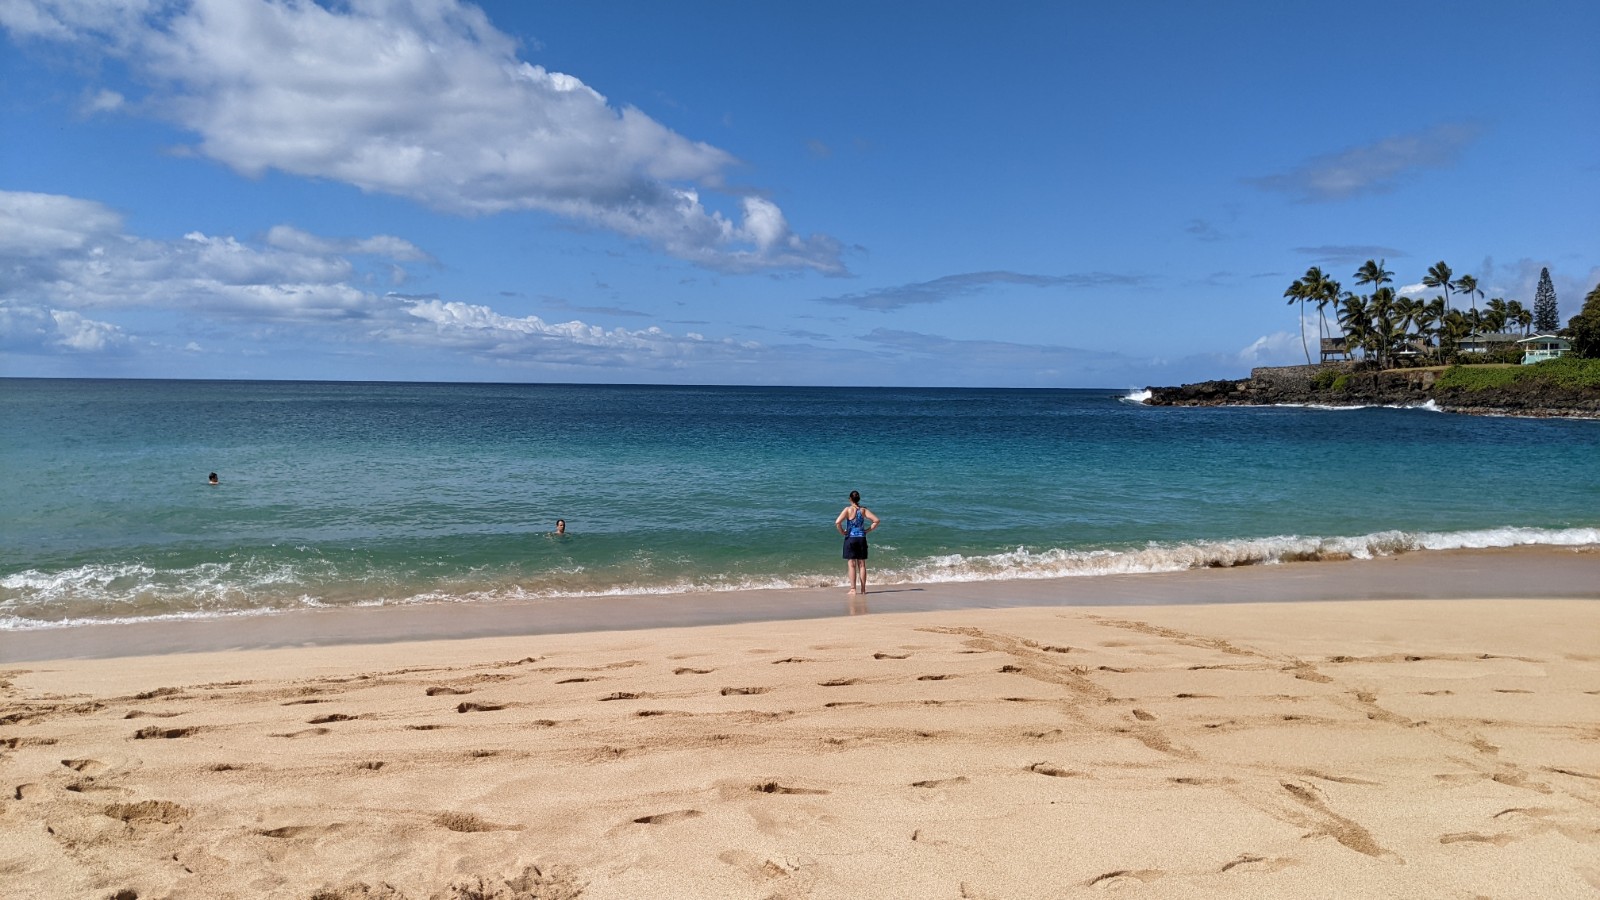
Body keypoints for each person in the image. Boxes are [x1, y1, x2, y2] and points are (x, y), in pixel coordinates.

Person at [834, 490, 880, 595]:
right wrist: (867, 530)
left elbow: (837, 522)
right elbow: (876, 520)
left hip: (850, 538)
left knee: (851, 564)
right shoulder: (863, 510)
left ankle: (853, 589)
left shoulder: (847, 510)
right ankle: (863, 589)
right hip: (861, 538)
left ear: (850, 499)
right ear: (858, 499)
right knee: (862, 564)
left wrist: (842, 532)